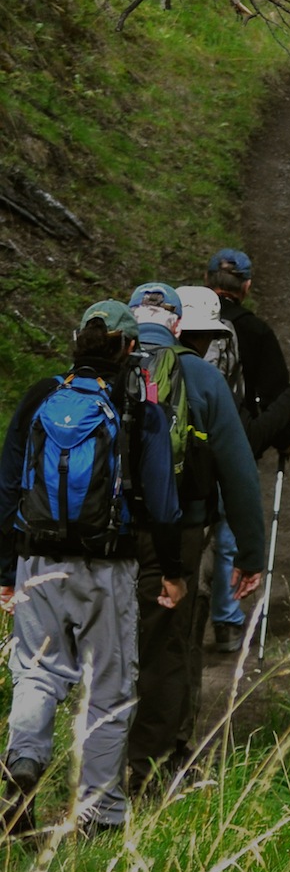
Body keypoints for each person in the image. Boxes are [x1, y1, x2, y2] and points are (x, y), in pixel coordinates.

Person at [0, 300, 184, 837]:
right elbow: (165, 504)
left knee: (37, 672)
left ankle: (22, 765)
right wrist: (173, 568)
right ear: (130, 348)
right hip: (108, 567)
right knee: (107, 687)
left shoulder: (41, 397)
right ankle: (100, 815)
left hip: (37, 558)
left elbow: (9, 484)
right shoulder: (140, 411)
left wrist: (7, 569)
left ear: (78, 339)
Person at [125, 282, 265, 789]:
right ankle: (149, 766)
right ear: (179, 327)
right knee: (167, 643)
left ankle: (93, 756)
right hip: (180, 532)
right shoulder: (204, 378)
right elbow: (239, 473)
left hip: (107, 536)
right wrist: (251, 552)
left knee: (114, 641)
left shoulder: (104, 367)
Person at [203, 249, 290, 652]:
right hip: (233, 444)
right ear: (247, 286)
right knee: (227, 535)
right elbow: (275, 392)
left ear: (208, 282)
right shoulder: (256, 331)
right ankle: (226, 622)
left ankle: (181, 610)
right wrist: (282, 438)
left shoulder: (186, 325)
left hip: (183, 445)